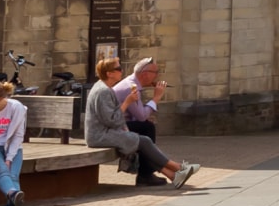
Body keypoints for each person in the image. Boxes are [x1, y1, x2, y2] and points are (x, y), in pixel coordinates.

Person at [85, 57, 199, 189]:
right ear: (109, 73)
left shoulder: (105, 88)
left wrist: (125, 128)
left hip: (106, 132)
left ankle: (174, 176)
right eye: (118, 69)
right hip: (100, 136)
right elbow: (112, 120)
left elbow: (113, 119)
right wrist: (128, 102)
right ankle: (178, 168)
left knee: (143, 138)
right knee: (143, 140)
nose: (122, 71)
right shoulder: (103, 91)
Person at [112, 57, 167, 186]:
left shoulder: (133, 84)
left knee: (146, 125)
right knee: (147, 127)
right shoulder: (130, 87)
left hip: (120, 124)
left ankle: (147, 173)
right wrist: (156, 97)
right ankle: (145, 175)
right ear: (145, 74)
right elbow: (141, 116)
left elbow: (137, 114)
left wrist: (144, 115)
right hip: (114, 128)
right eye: (155, 72)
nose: (157, 76)